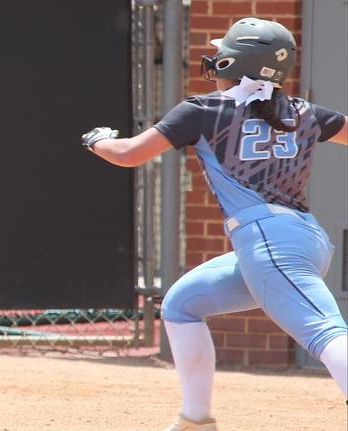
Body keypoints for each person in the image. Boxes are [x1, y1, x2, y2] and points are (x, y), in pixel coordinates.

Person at [80, 17, 347, 431]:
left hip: (268, 243)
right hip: (299, 240)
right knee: (182, 304)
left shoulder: (204, 110)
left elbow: (128, 153)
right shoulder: (305, 112)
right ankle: (197, 420)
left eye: (224, 54)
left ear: (235, 63)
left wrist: (97, 139)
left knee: (327, 334)